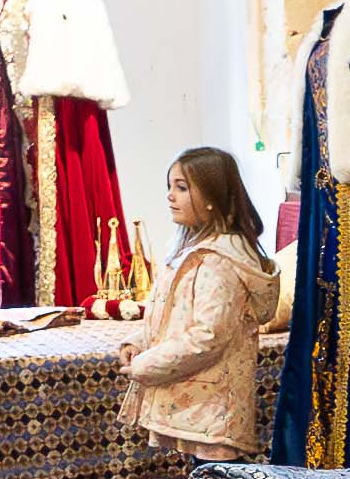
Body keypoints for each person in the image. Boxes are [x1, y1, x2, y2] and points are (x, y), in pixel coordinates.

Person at [119, 148, 278, 460]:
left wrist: (146, 365)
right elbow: (171, 314)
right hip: (199, 409)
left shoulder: (221, 261)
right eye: (170, 187)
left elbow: (207, 337)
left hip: (214, 411)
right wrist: (139, 341)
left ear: (211, 196)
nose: (170, 196)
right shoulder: (189, 249)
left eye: (181, 187)